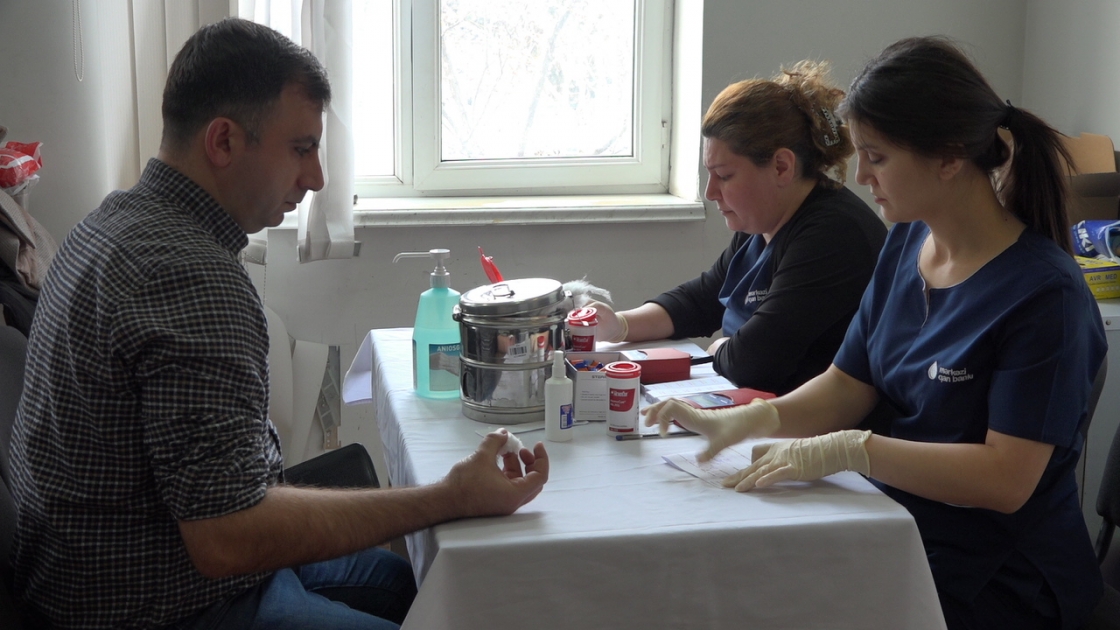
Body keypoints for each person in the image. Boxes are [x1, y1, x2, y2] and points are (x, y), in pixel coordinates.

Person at [8, 18, 548, 630]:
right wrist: (449, 497)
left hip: (102, 569)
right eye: (300, 148)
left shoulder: (115, 218)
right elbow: (228, 538)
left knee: (419, 585)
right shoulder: (191, 278)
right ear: (223, 141)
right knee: (447, 593)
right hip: (154, 604)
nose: (316, 178)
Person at [644, 36, 1104, 630]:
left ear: (948, 157)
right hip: (897, 524)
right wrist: (749, 420)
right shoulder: (908, 243)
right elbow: (847, 383)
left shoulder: (1045, 296)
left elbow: (1006, 479)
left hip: (998, 579)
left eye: (877, 158)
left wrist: (854, 449)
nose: (861, 176)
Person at [590, 61, 887, 398]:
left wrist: (721, 349)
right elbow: (704, 299)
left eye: (725, 176)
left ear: (781, 167)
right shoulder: (762, 221)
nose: (710, 192)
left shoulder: (834, 235)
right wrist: (619, 325)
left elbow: (754, 361)